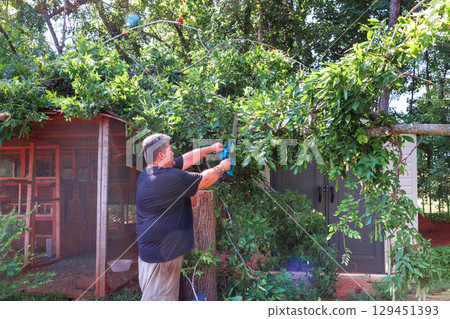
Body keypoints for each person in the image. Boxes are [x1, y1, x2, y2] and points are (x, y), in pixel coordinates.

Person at [136, 133, 231, 301]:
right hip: (160, 260)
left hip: (159, 255)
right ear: (161, 155)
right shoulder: (167, 178)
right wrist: (221, 167)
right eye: (170, 150)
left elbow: (186, 159)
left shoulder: (150, 173)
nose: (173, 153)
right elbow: (205, 180)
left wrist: (211, 148)